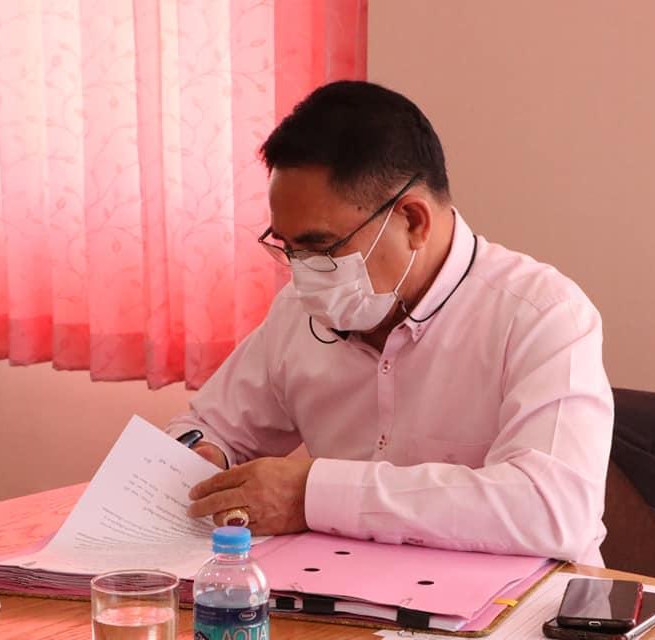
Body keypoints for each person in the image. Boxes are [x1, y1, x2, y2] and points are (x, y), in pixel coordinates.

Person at [169, 80, 614, 565]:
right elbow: (206, 427)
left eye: (322, 248)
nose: (302, 273)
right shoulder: (299, 310)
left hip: (521, 602)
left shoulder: (542, 315)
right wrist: (202, 456)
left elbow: (552, 508)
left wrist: (313, 494)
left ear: (414, 221)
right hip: (348, 591)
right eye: (288, 248)